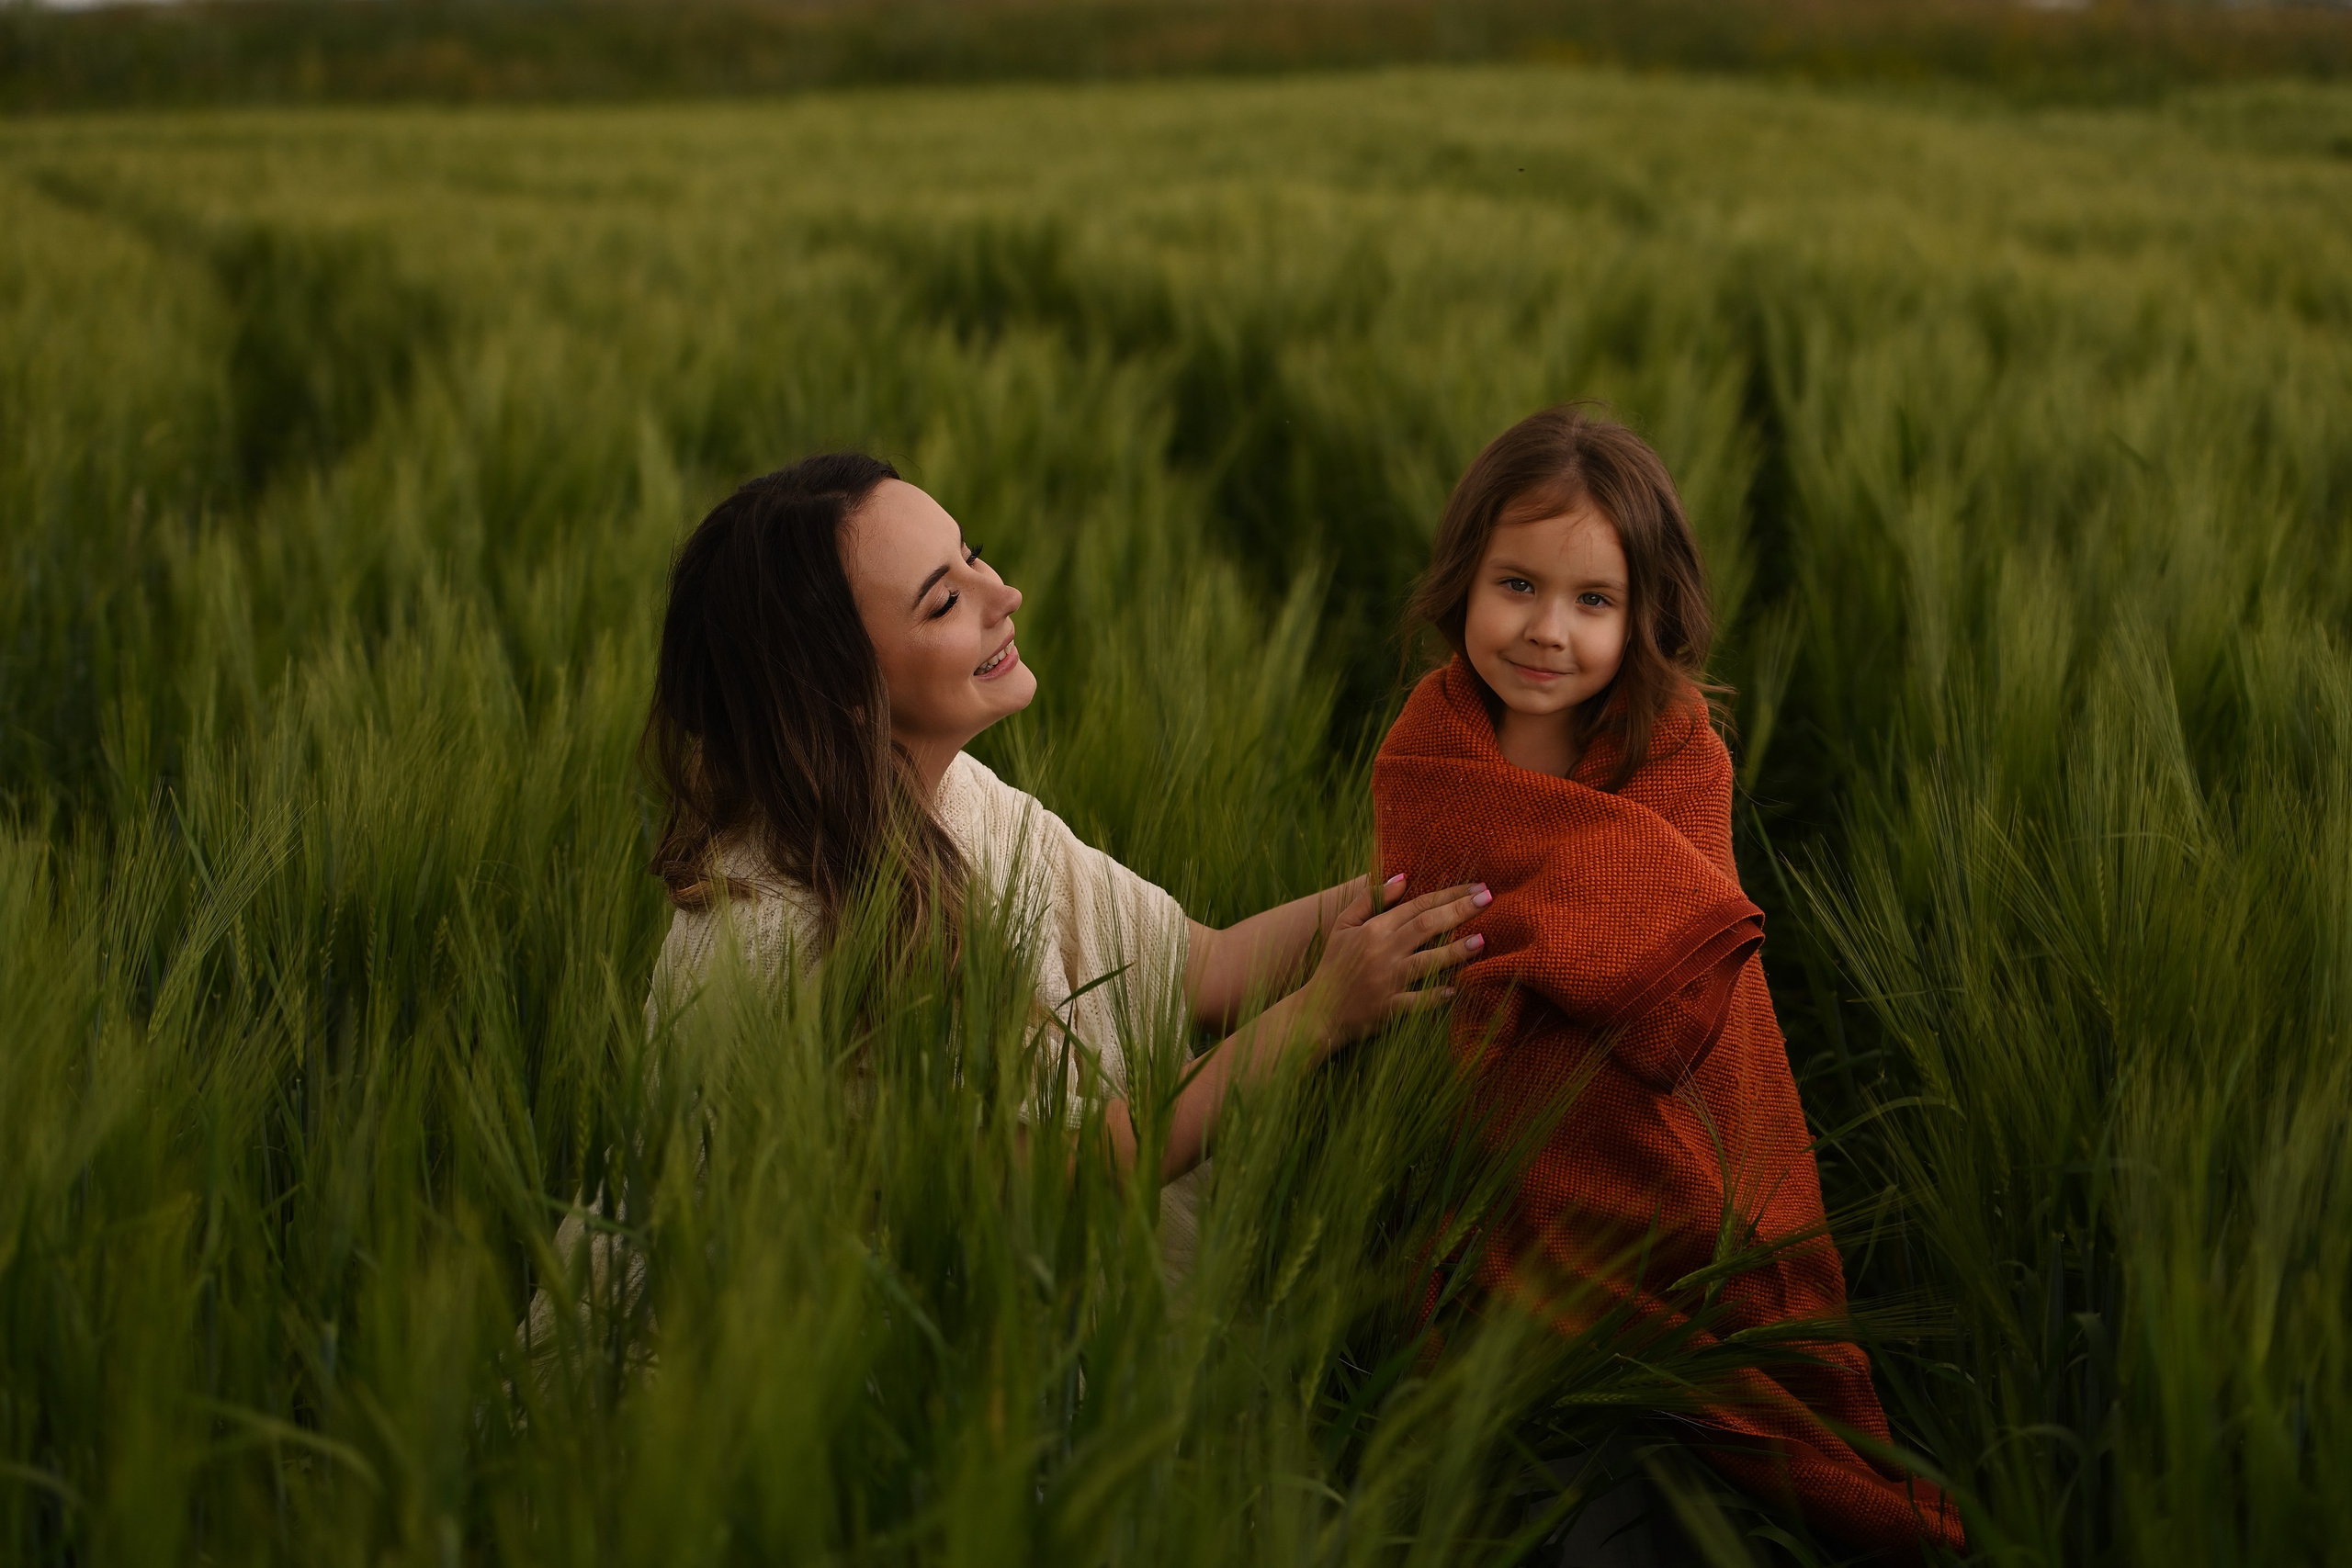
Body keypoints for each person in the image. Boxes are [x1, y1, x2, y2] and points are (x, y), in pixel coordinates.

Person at [639, 451, 1487, 1268]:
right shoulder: (797, 931)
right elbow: (1063, 1177)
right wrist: (1316, 1016)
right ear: (839, 695)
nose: (1004, 594)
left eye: (971, 556)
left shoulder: (952, 799)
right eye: (943, 601)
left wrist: (1466, 859)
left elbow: (1210, 963)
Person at [1372, 406, 1965, 1561]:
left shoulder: (1677, 750)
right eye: (1516, 585)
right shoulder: (1429, 746)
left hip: (1658, 1172)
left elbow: (1685, 974)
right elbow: (1435, 935)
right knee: (1529, 1498)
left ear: (1646, 616)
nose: (1547, 630)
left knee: (1692, 1476)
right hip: (1486, 1178)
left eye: (1593, 602)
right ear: (1462, 581)